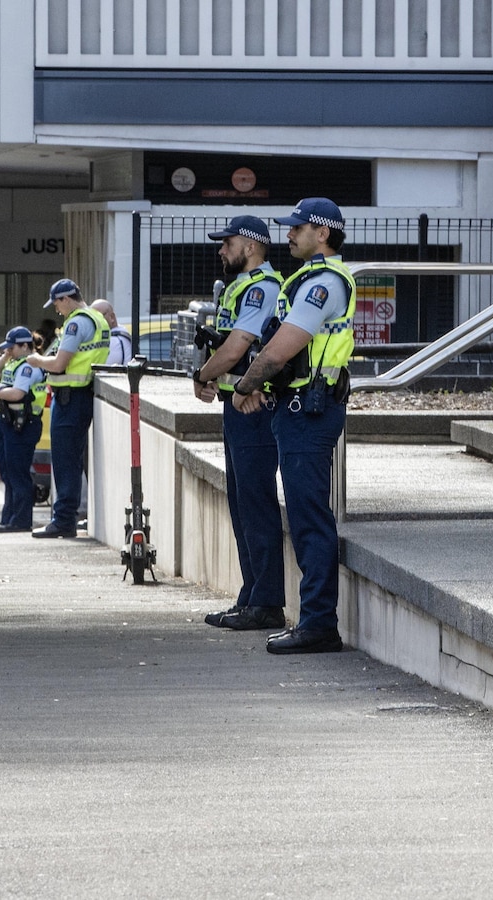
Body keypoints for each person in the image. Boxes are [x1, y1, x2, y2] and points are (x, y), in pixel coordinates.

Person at [232, 198, 355, 655]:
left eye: (297, 228)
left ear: (322, 233)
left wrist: (244, 385)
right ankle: (315, 620)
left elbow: (284, 347)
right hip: (298, 407)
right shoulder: (307, 280)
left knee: (308, 519)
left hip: (311, 412)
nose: (288, 234)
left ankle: (319, 623)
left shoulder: (322, 283)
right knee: (303, 516)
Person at [193, 215, 287, 631]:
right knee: (241, 504)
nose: (221, 250)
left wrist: (202, 376)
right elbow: (225, 348)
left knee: (255, 504)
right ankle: (252, 596)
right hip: (237, 405)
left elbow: (236, 349)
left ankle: (265, 602)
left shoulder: (261, 288)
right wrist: (210, 376)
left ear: (250, 246)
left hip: (255, 409)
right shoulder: (240, 287)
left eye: (227, 242)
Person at [25, 278, 110, 538]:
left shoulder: (76, 323)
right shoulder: (98, 319)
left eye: (56, 304)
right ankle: (65, 519)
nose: (56, 311)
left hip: (69, 399)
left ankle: (63, 521)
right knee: (72, 460)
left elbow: (60, 364)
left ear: (65, 299)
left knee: (64, 462)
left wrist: (37, 360)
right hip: (82, 395)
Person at [0, 326, 48, 533]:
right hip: (9, 421)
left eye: (12, 347)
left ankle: (20, 520)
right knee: (8, 473)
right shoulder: (14, 362)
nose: (9, 351)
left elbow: (18, 393)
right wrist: (6, 355)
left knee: (18, 473)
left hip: (23, 424)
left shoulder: (29, 366)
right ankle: (8, 518)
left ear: (25, 346)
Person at [93, 299, 133, 365]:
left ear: (112, 317)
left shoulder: (113, 341)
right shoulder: (122, 331)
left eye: (98, 317)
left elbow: (102, 371)